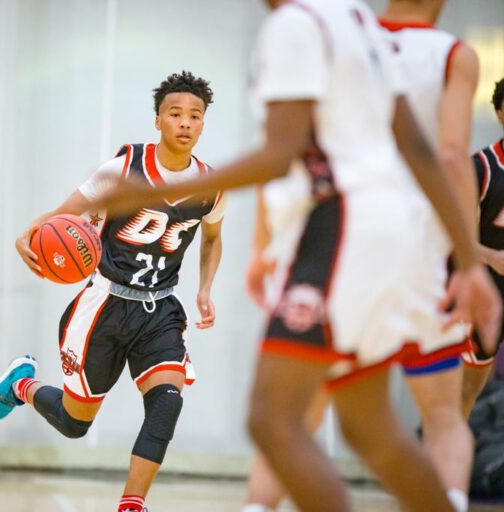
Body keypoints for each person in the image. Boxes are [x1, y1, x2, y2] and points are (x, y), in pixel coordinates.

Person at [91, 1, 501, 510]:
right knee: (368, 429)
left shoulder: (293, 25)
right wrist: (465, 260)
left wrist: (142, 195)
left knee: (274, 419)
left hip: (340, 233)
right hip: (392, 235)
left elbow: (277, 155)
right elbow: (417, 147)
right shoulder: (354, 18)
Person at [242, 1, 481, 510]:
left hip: (339, 239)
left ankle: (258, 506)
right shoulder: (437, 50)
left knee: (291, 413)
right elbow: (447, 156)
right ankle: (452, 501)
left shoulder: (333, 30)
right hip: (418, 247)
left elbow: (287, 149)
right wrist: (467, 259)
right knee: (430, 416)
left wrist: (265, 242)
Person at [0, 71, 226, 512]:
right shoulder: (124, 169)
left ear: (204, 124)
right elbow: (62, 218)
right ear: (158, 120)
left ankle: (131, 504)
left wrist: (205, 288)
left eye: (195, 116)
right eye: (176, 114)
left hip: (160, 310)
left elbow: (212, 239)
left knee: (168, 402)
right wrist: (27, 235)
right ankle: (22, 384)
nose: (186, 123)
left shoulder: (210, 185)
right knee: (76, 424)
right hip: (105, 304)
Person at [462, 77, 504, 417]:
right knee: (466, 395)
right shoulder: (481, 167)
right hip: (487, 294)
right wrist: (493, 257)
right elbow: (455, 236)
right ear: (500, 115)